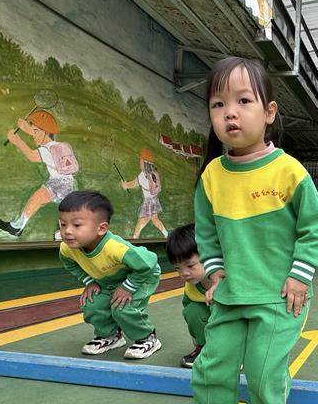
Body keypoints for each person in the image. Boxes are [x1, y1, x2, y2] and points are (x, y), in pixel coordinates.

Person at [175, 57, 318, 404]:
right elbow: (207, 233)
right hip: (229, 295)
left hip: (280, 297)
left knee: (263, 370)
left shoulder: (289, 170)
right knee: (212, 366)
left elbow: (314, 229)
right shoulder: (212, 176)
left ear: (270, 112)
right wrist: (215, 273)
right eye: (218, 104)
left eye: (244, 101)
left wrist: (299, 276)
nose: (230, 113)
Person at [57, 190, 162, 359]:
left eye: (76, 225)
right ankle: (111, 336)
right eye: (63, 224)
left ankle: (147, 338)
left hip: (141, 276)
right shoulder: (67, 249)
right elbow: (71, 264)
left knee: (122, 307)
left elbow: (148, 263)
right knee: (93, 304)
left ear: (101, 228)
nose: (67, 231)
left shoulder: (114, 247)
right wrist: (89, 282)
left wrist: (128, 287)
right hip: (109, 281)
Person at [0, 110, 78, 238]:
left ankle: (17, 227)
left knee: (37, 199)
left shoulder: (47, 150)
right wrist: (26, 128)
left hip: (59, 184)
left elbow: (32, 156)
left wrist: (17, 140)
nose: (33, 136)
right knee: (37, 200)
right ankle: (18, 226)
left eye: (36, 132)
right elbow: (40, 134)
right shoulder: (56, 146)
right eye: (33, 131)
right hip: (67, 183)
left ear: (46, 132)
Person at [164, 223, 212, 368]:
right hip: (213, 324)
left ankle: (233, 354)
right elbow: (189, 313)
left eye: (190, 266)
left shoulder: (228, 279)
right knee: (192, 311)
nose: (184, 273)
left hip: (235, 326)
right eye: (178, 268)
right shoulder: (192, 287)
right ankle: (204, 348)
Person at [120, 148, 170, 239]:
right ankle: (167, 235)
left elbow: (133, 184)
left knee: (142, 221)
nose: (140, 162)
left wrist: (125, 185)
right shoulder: (154, 173)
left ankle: (134, 239)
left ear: (144, 162)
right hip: (154, 200)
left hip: (148, 203)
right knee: (154, 220)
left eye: (141, 160)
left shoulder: (143, 176)